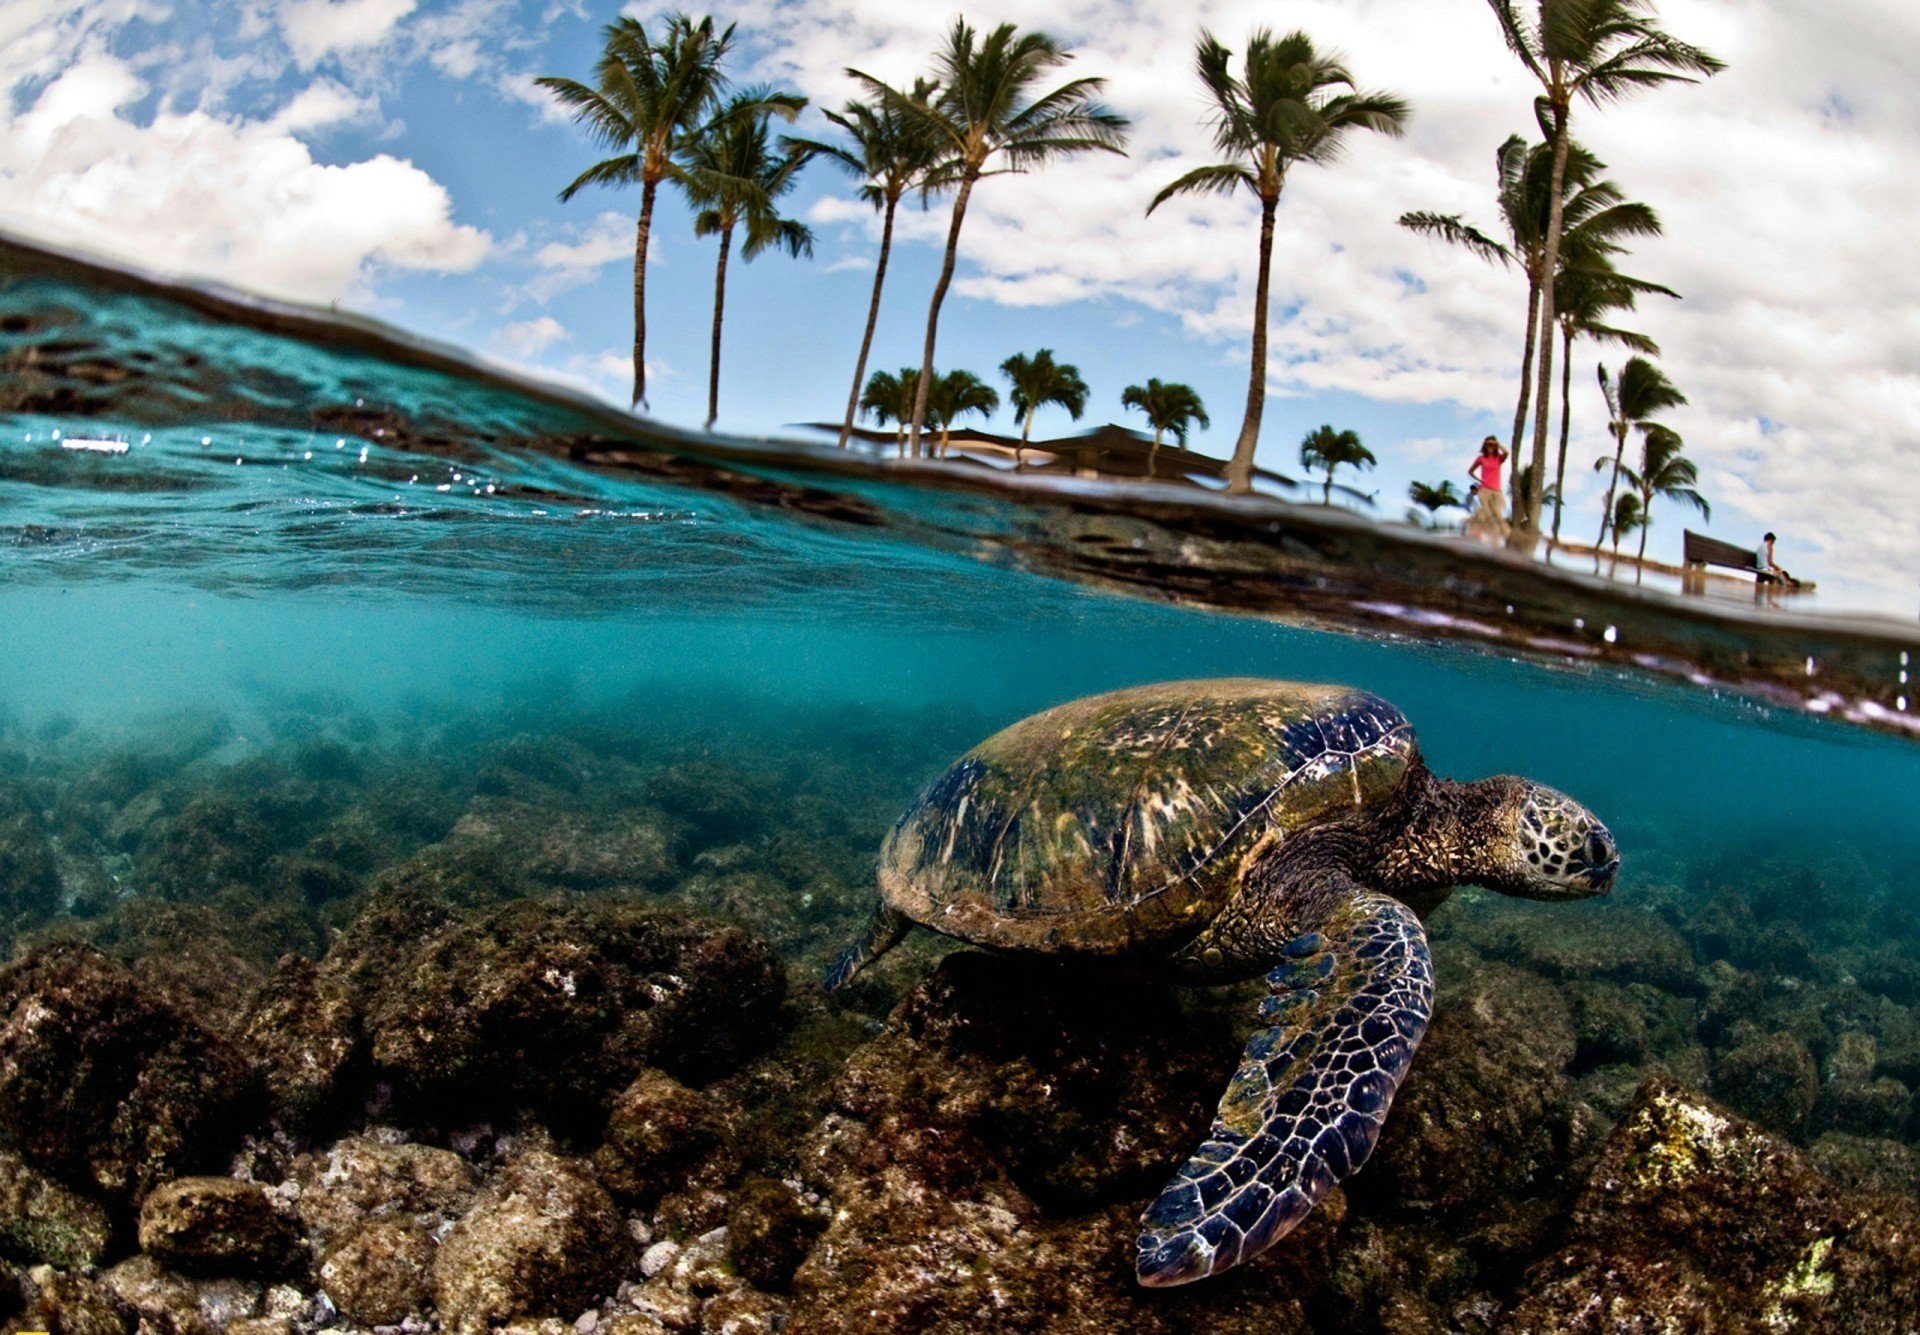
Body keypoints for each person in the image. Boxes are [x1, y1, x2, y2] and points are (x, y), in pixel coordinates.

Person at [1465, 436, 1508, 541]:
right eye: (1488, 444)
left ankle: (1504, 537)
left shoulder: (1499, 459)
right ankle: (1481, 534)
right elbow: (1470, 471)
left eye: (1492, 445)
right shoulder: (1481, 458)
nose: (1490, 446)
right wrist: (1479, 480)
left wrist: (1497, 443)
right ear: (1485, 445)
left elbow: (1506, 452)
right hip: (1484, 490)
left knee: (1497, 514)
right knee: (1487, 513)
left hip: (1497, 491)